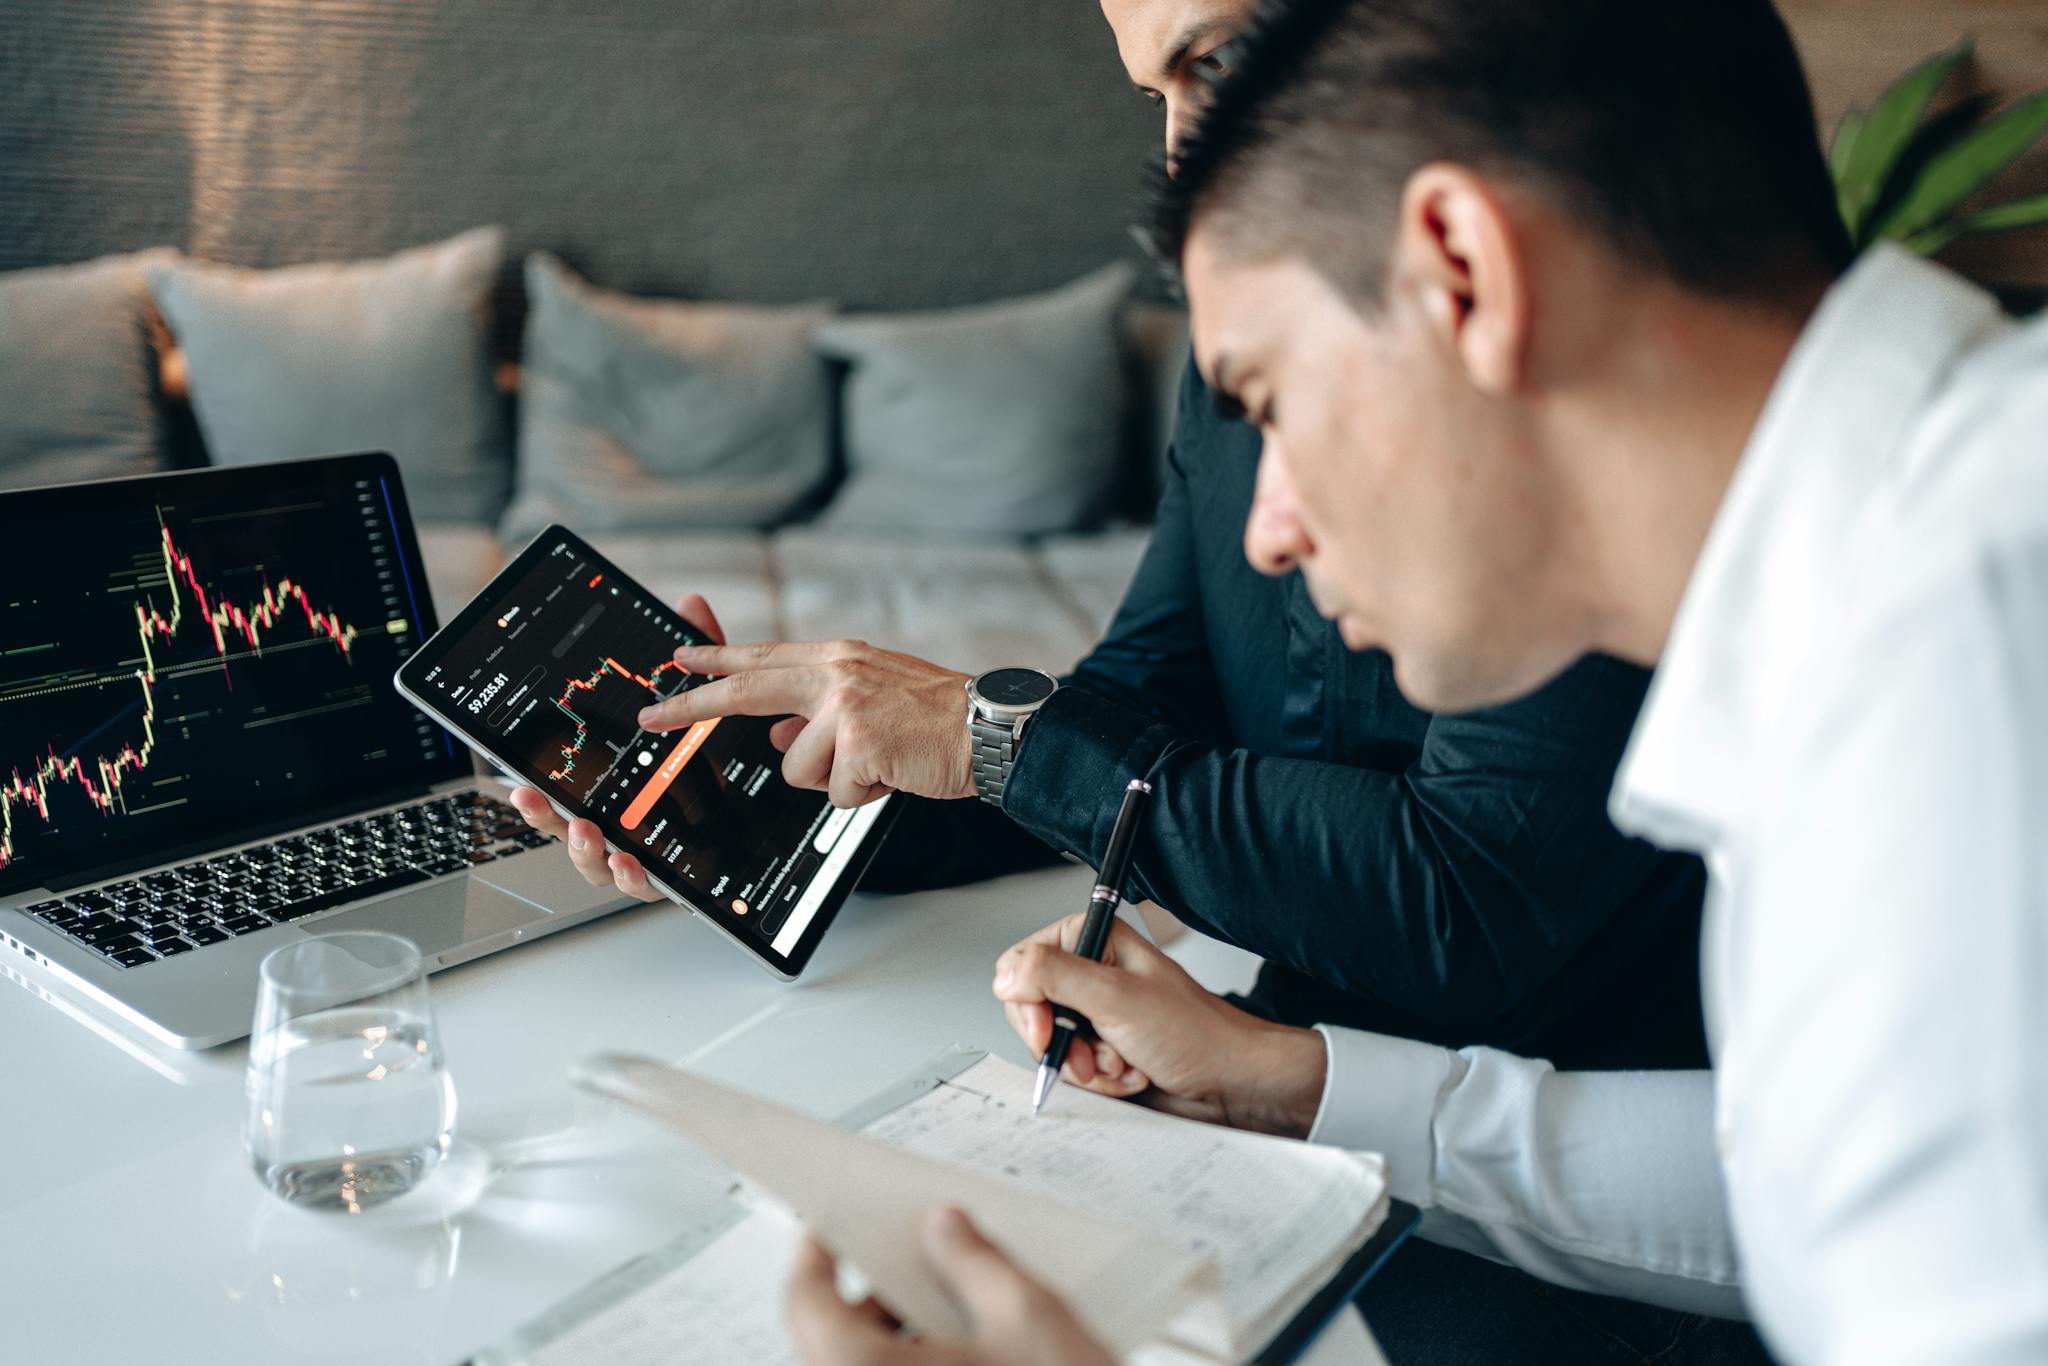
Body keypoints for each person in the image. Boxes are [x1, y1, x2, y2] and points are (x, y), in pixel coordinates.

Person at [783, 0, 2048, 1361]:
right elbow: (1802, 1175)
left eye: (1270, 396)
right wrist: (1305, 1084)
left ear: (1461, 268)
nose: (1265, 529)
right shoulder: (1900, 565)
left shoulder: (1966, 655)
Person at [514, 0, 1711, 1076]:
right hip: (1266, 1066)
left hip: (1522, 1175)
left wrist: (993, 734)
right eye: (1156, 94)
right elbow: (1141, 706)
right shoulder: (1221, 370)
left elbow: (1475, 906)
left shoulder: (1579, 397)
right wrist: (781, 791)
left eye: (1220, 57)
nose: (1183, 167)